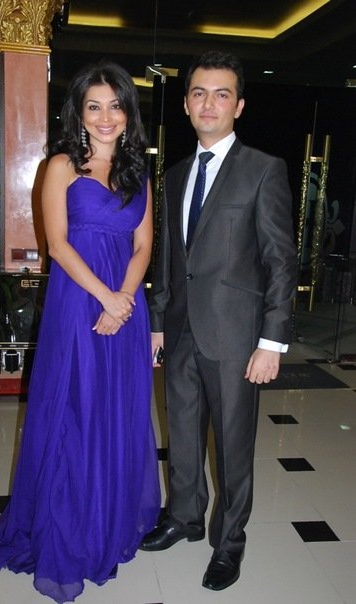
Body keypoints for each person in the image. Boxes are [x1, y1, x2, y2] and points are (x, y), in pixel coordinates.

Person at [0, 61, 160, 603]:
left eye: (116, 106)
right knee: (73, 413)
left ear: (128, 113)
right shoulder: (60, 165)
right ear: (78, 113)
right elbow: (57, 245)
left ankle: (108, 520)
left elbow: (144, 245)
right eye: (94, 106)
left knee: (116, 412)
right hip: (79, 304)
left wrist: (124, 300)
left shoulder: (138, 173)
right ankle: (67, 531)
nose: (106, 117)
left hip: (125, 308)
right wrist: (107, 298)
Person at [140, 50, 297, 592]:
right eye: (199, 93)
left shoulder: (263, 170)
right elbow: (168, 258)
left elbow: (281, 261)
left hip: (236, 336)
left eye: (222, 94)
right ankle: (184, 516)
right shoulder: (175, 175)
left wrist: (272, 341)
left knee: (231, 446)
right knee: (182, 433)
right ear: (186, 104)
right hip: (180, 329)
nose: (209, 104)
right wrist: (157, 322)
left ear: (239, 106)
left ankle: (229, 543)